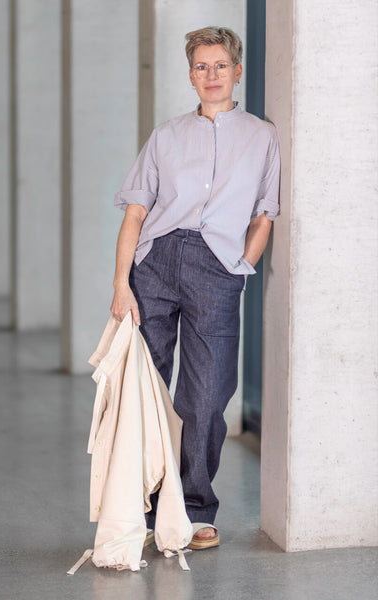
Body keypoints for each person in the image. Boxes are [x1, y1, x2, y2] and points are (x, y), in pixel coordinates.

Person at [110, 26, 280, 548]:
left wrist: (239, 268)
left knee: (206, 396)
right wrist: (121, 284)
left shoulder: (262, 136)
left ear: (237, 71)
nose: (211, 75)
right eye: (201, 67)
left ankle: (195, 509)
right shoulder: (166, 135)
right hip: (155, 265)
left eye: (220, 65)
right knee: (144, 390)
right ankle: (143, 509)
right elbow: (136, 212)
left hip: (217, 269)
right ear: (190, 75)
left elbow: (264, 214)